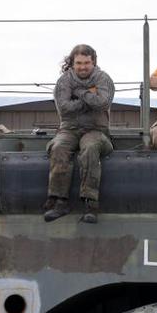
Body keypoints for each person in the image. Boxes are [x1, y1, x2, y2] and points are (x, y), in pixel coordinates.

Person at [43, 44, 115, 224]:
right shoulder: (64, 81)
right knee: (59, 147)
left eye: (87, 63)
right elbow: (65, 109)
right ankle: (60, 201)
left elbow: (103, 103)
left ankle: (91, 204)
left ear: (93, 62)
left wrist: (79, 93)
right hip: (69, 129)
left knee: (90, 149)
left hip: (96, 130)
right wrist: (90, 96)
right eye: (79, 63)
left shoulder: (103, 79)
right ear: (73, 63)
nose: (83, 67)